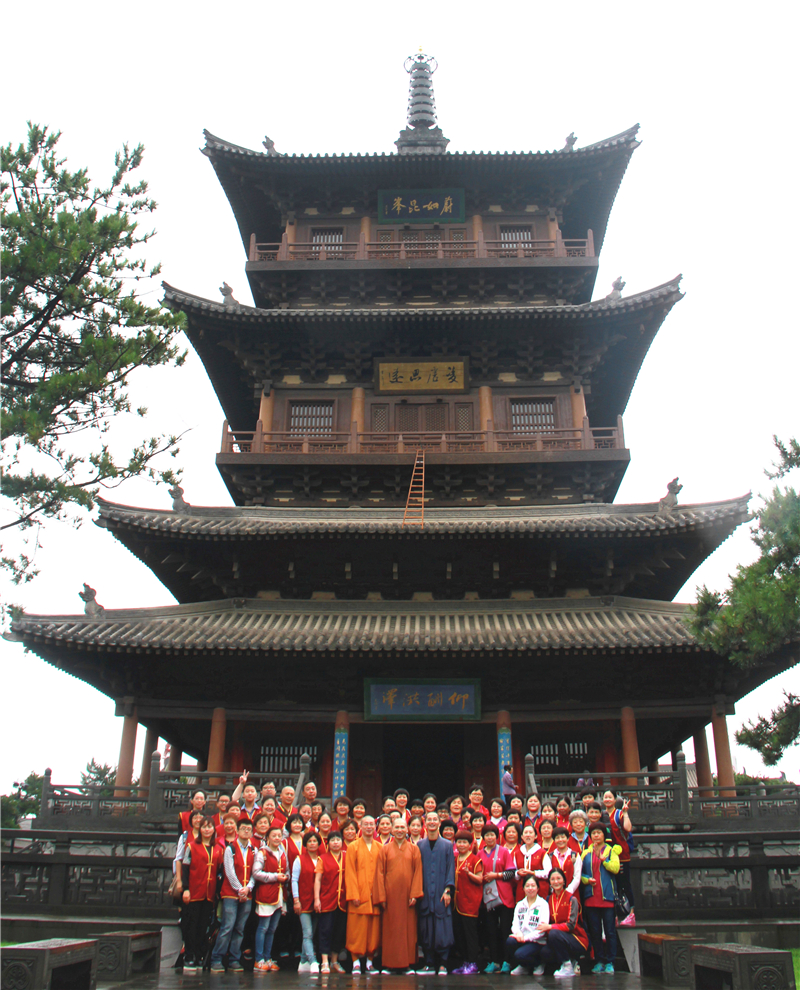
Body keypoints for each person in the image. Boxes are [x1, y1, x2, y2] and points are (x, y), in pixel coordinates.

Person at [373, 818, 423, 973]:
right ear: (392, 830)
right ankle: (389, 964)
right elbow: (379, 874)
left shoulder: (414, 849)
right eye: (397, 827)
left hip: (408, 898)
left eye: (403, 827)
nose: (400, 830)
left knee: (408, 931)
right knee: (390, 930)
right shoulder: (385, 849)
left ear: (407, 829)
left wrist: (415, 894)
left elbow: (417, 872)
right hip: (390, 897)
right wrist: (381, 897)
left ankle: (407, 964)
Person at [210, 818, 256, 973]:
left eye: (249, 829)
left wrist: (248, 888)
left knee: (240, 928)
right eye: (243, 828)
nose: (246, 831)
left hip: (247, 895)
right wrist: (239, 890)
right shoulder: (231, 849)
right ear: (237, 830)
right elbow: (228, 872)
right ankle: (217, 958)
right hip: (230, 894)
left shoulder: (254, 850)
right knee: (227, 927)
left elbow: (255, 873)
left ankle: (234, 959)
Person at [180, 816, 224, 971]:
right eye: (204, 827)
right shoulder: (191, 846)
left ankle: (199, 954)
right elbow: (185, 868)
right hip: (193, 891)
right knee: (191, 924)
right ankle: (189, 955)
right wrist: (185, 888)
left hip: (209, 893)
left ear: (214, 829)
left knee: (203, 925)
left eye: (210, 827)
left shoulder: (218, 848)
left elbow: (220, 870)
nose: (207, 829)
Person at [417, 811, 455, 975]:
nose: (432, 822)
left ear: (439, 823)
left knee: (442, 929)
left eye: (435, 820)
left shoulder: (447, 845)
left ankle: (443, 963)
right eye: (429, 820)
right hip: (425, 892)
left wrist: (448, 890)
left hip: (441, 892)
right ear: (425, 823)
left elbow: (450, 870)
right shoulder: (420, 845)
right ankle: (429, 962)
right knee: (426, 928)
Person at [580, 824, 621, 975]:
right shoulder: (585, 853)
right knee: (595, 931)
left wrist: (604, 860)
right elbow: (580, 874)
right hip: (591, 897)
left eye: (599, 833)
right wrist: (586, 880)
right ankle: (599, 960)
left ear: (604, 835)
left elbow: (616, 868)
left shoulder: (611, 851)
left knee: (610, 931)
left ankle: (610, 961)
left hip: (607, 897)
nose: (596, 836)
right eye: (593, 833)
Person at [344, 815, 382, 974]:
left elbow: (382, 873)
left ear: (375, 827)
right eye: (365, 824)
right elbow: (350, 872)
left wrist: (382, 896)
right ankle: (355, 962)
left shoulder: (380, 847)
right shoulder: (353, 847)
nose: (368, 827)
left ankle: (370, 961)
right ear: (360, 826)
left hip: (375, 896)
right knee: (356, 930)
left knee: (373, 931)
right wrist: (354, 895)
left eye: (371, 824)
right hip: (358, 896)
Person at [538, 867, 589, 979]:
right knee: (545, 952)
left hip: (576, 938)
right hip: (558, 938)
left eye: (559, 878)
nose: (556, 882)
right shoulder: (548, 899)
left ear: (564, 881)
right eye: (553, 879)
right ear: (549, 882)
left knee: (553, 933)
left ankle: (567, 966)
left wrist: (551, 927)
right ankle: (572, 960)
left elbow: (571, 925)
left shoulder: (572, 899)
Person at [479, 824, 516, 973]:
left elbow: (511, 872)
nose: (490, 838)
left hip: (504, 896)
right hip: (488, 897)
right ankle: (494, 961)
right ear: (483, 837)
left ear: (497, 836)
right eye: (487, 835)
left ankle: (507, 961)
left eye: (492, 835)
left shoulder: (504, 851)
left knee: (505, 930)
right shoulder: (479, 854)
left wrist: (497, 875)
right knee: (491, 931)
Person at [252, 824, 289, 973]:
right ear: (267, 838)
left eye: (279, 836)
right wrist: (275, 877)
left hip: (279, 895)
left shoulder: (282, 852)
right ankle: (258, 959)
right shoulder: (262, 853)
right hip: (266, 894)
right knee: (263, 927)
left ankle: (267, 957)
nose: (277, 838)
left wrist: (286, 877)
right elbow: (256, 873)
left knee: (272, 929)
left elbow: (287, 870)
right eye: (273, 836)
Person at [315, 830, 348, 974]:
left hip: (343, 901)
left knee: (339, 932)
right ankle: (324, 961)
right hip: (327, 899)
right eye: (333, 840)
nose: (336, 842)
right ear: (328, 843)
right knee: (325, 931)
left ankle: (334, 961)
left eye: (338, 840)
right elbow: (318, 879)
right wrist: (317, 899)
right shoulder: (323, 858)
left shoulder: (347, 856)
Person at [451, 830, 483, 974]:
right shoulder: (454, 858)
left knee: (470, 934)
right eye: (459, 842)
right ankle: (464, 962)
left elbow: (480, 879)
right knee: (459, 934)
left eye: (465, 842)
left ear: (470, 844)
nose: (462, 845)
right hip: (456, 903)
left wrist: (469, 873)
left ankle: (473, 963)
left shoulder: (475, 859)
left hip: (470, 903)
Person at [503, 876, 550, 976]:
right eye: (527, 886)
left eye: (533, 886)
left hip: (536, 942)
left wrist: (525, 938)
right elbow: (514, 924)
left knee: (519, 954)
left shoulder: (543, 905)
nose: (530, 888)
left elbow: (541, 930)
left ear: (538, 888)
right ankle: (524, 966)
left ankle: (538, 964)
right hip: (522, 938)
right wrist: (518, 933)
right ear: (523, 888)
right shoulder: (520, 904)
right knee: (510, 942)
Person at [603, 789, 635, 926]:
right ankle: (615, 914)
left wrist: (626, 812)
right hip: (606, 856)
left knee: (624, 884)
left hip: (621, 855)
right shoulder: (602, 815)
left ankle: (631, 914)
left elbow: (627, 828)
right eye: (605, 797)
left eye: (610, 797)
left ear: (615, 800)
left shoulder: (619, 814)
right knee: (612, 886)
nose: (608, 799)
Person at [293, 831, 322, 973]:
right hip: (303, 901)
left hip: (317, 902)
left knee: (312, 933)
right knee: (307, 933)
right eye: (309, 841)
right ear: (305, 844)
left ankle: (303, 961)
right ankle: (313, 961)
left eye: (314, 841)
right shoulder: (299, 859)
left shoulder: (321, 859)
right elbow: (294, 880)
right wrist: (296, 900)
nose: (312, 844)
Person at [544, 827, 581, 895]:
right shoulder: (549, 856)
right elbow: (548, 876)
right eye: (557, 838)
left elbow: (577, 877)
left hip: (572, 894)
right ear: (554, 840)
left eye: (563, 837)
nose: (560, 840)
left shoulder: (575, 855)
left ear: (567, 839)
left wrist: (568, 891)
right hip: (555, 894)